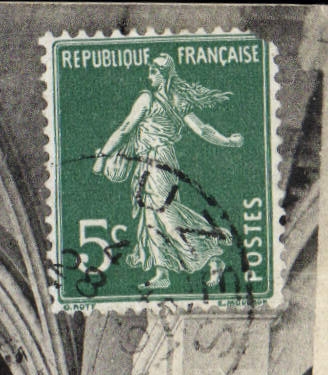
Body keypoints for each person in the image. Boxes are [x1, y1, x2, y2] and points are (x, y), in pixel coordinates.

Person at [93, 53, 243, 291]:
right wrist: (228, 141)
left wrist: (102, 157)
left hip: (159, 161)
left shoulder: (151, 99)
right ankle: (162, 271)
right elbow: (202, 129)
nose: (149, 75)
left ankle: (212, 257)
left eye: (153, 71)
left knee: (166, 214)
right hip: (151, 161)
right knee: (150, 217)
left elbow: (125, 129)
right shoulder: (172, 99)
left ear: (163, 75)